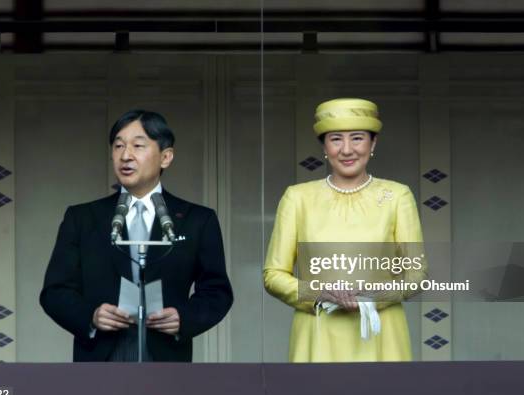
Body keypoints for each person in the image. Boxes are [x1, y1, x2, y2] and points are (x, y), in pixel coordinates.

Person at [40, 109, 233, 362]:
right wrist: (91, 316)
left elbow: (217, 291)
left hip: (167, 357)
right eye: (118, 146)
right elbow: (55, 291)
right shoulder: (83, 218)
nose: (125, 155)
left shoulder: (198, 220)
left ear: (165, 157)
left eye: (138, 146)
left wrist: (184, 318)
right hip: (101, 357)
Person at [263, 98, 426, 362]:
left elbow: (416, 274)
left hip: (381, 335)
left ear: (373, 144)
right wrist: (319, 293)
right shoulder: (297, 198)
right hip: (317, 333)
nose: (347, 149)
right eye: (336, 139)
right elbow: (273, 274)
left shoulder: (397, 196)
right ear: (325, 146)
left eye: (358, 138)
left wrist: (371, 297)